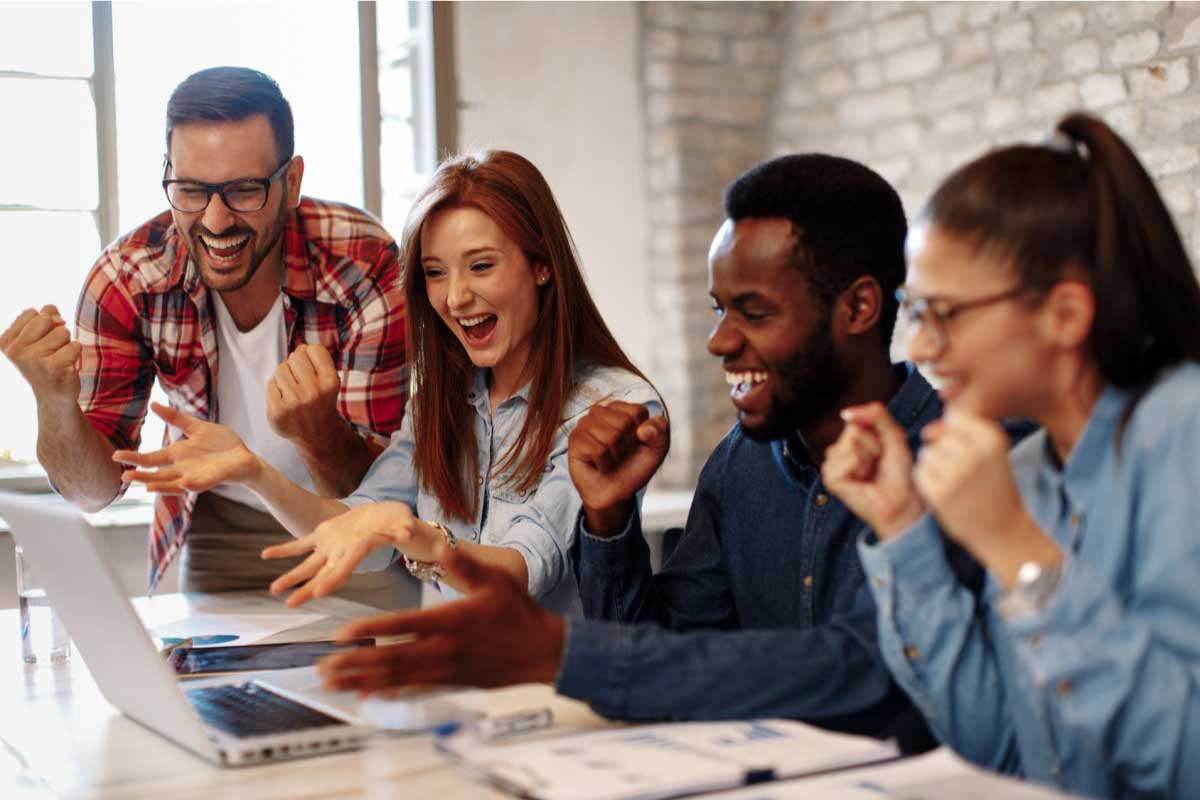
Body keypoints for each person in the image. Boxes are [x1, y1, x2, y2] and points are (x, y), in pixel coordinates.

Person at [312, 154, 984, 749]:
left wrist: (562, 651)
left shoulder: (969, 463)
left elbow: (870, 675)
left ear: (859, 308)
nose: (719, 342)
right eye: (718, 309)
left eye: (753, 312)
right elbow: (670, 643)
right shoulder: (741, 464)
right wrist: (608, 523)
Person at [822, 112, 1200, 797]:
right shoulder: (1025, 471)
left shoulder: (1185, 435)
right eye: (916, 311)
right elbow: (1004, 744)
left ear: (1064, 314)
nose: (923, 350)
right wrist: (904, 526)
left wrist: (1020, 551)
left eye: (947, 313)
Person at [118, 150, 661, 615]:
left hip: (559, 695)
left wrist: (419, 536)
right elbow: (359, 526)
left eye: (481, 266)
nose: (455, 298)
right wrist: (254, 471)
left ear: (542, 266)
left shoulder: (618, 406)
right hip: (455, 688)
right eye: (435, 272)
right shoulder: (440, 398)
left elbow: (522, 571)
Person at [0, 67, 407, 598]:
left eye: (243, 190)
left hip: (350, 526)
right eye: (190, 190)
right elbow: (91, 494)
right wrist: (55, 404)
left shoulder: (363, 261)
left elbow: (380, 492)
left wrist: (316, 432)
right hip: (223, 525)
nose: (215, 221)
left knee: (377, 673)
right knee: (205, 680)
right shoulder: (126, 278)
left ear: (291, 183)